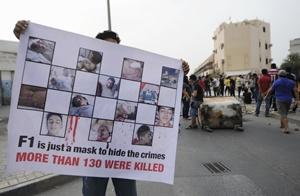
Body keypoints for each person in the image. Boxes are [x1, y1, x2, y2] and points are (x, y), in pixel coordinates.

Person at [14, 20, 190, 196]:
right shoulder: (84, 75)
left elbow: (156, 85)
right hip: (93, 155)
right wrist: (23, 37)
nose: (112, 51)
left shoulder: (129, 77)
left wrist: (180, 71)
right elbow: (46, 69)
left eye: (115, 47)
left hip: (122, 153)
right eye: (106, 47)